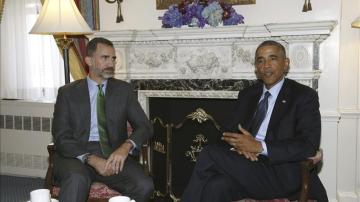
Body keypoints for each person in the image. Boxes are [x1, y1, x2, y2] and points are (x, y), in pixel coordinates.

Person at [181, 40, 328, 202]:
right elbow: (226, 131)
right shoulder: (248, 94)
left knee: (209, 153)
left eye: (273, 58)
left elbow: (308, 145)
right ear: (256, 68)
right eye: (260, 60)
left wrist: (259, 147)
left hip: (281, 175)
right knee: (215, 186)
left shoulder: (303, 96)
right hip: (247, 166)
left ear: (285, 64)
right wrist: (240, 146)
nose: (266, 65)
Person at [52, 37, 154, 202]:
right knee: (77, 180)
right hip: (76, 155)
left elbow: (145, 126)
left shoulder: (124, 90)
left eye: (113, 58)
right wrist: (90, 158)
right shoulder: (68, 93)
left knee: (144, 185)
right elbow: (61, 137)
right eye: (104, 58)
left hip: (113, 154)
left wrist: (125, 147)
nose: (111, 63)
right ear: (89, 61)